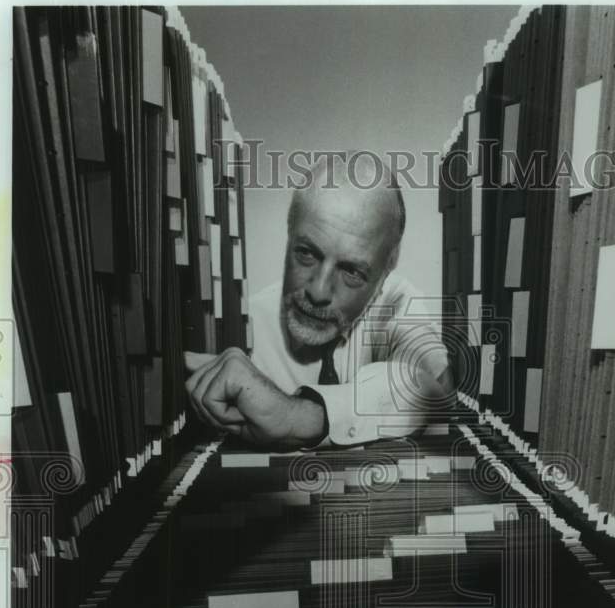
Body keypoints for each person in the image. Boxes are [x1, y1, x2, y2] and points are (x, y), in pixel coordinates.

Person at [184, 153, 454, 449]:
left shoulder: (396, 303)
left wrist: (300, 416)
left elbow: (432, 389)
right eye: (307, 253)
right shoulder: (240, 324)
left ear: (387, 268)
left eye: (352, 271)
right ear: (288, 233)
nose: (319, 292)